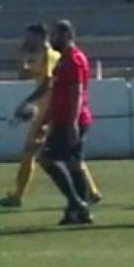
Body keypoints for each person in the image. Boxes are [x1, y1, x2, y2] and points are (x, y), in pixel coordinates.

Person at [0, 24, 102, 209]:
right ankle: (88, 195)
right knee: (68, 158)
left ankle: (21, 197)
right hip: (49, 112)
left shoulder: (53, 56)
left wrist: (28, 103)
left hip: (51, 112)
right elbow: (23, 75)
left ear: (40, 37)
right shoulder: (41, 56)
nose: (26, 41)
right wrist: (21, 56)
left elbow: (49, 85)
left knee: (40, 154)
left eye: (29, 37)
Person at [37, 20, 96, 225]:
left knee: (46, 159)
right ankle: (79, 211)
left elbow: (76, 91)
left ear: (66, 35)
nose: (52, 40)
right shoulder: (64, 60)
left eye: (55, 35)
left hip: (71, 120)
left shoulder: (74, 59)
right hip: (64, 119)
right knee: (73, 164)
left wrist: (71, 123)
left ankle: (77, 203)